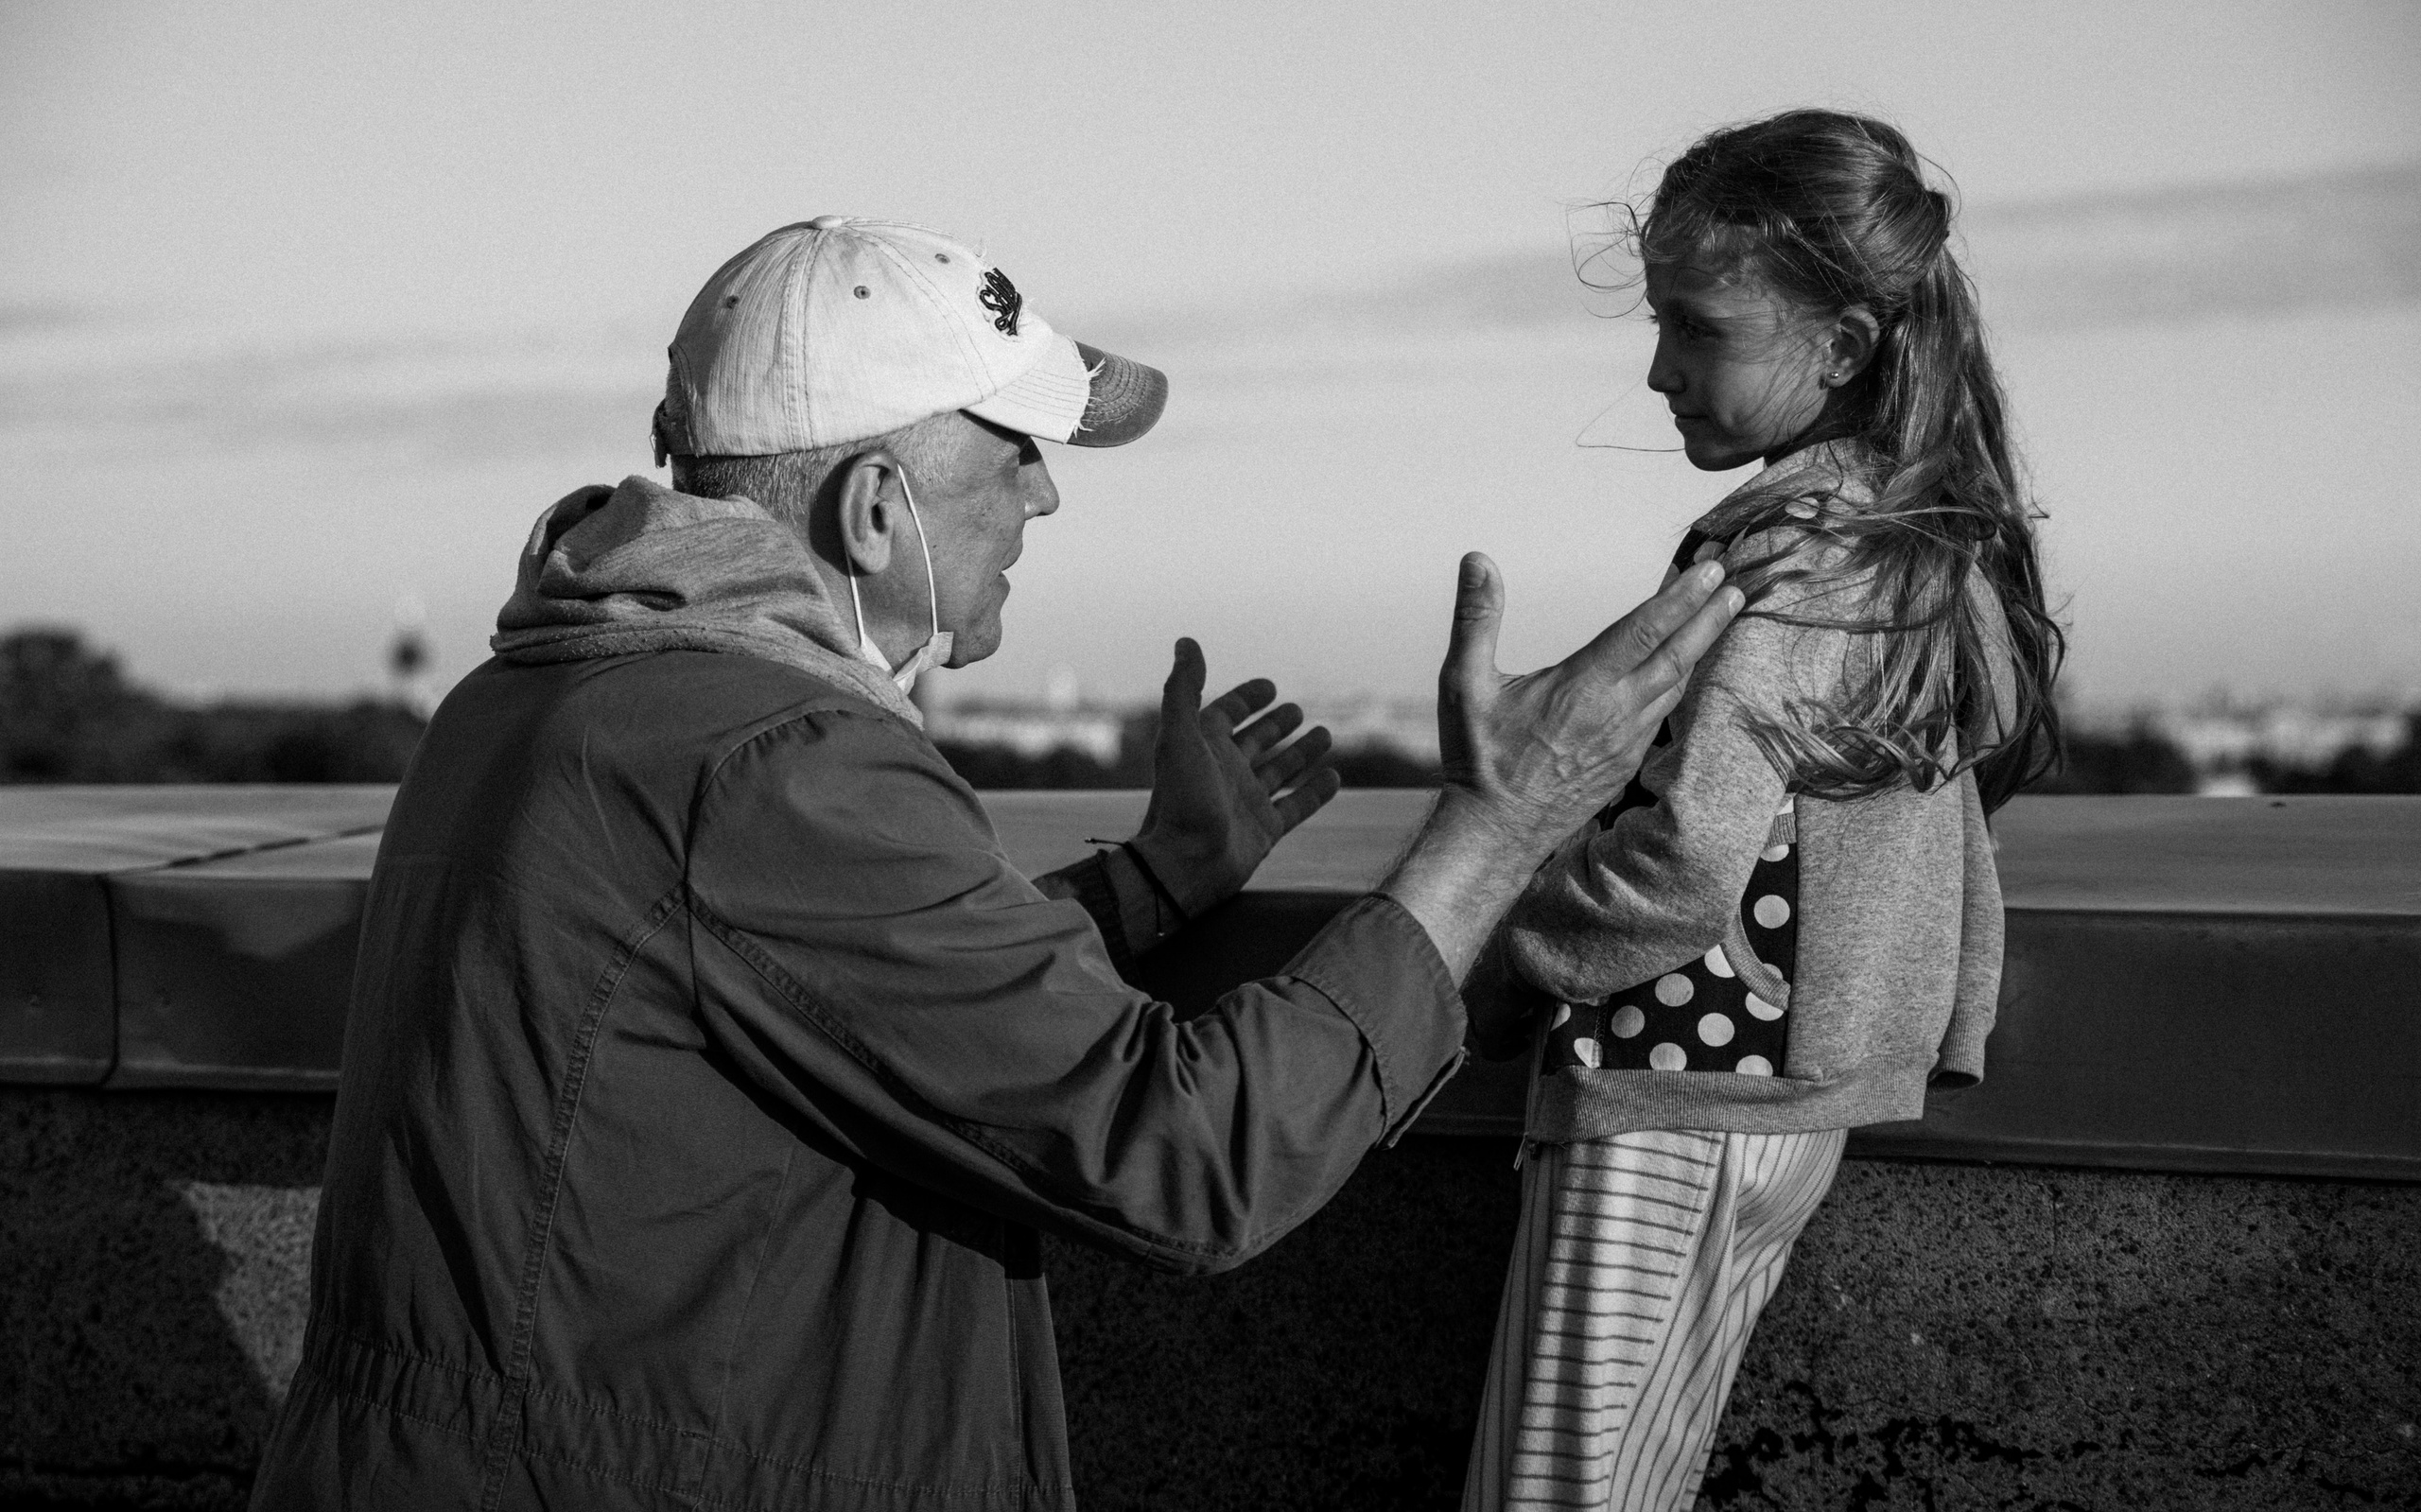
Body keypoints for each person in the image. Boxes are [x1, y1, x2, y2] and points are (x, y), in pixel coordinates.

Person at [248, 215, 1744, 1511]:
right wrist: (1498, 827)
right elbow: (1186, 1157)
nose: (1043, 496)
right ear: (875, 513)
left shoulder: (539, 693)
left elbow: (836, 991)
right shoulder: (778, 759)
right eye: (1013, 451)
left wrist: (1157, 879)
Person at [1458, 112, 2064, 1511]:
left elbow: (1680, 862)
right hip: (1782, 1100)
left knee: (1554, 1494)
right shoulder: (1919, 542)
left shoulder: (1788, 556)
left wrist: (1491, 959)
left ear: (1843, 346)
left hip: (1670, 1095)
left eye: (1697, 326)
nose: (1659, 368)